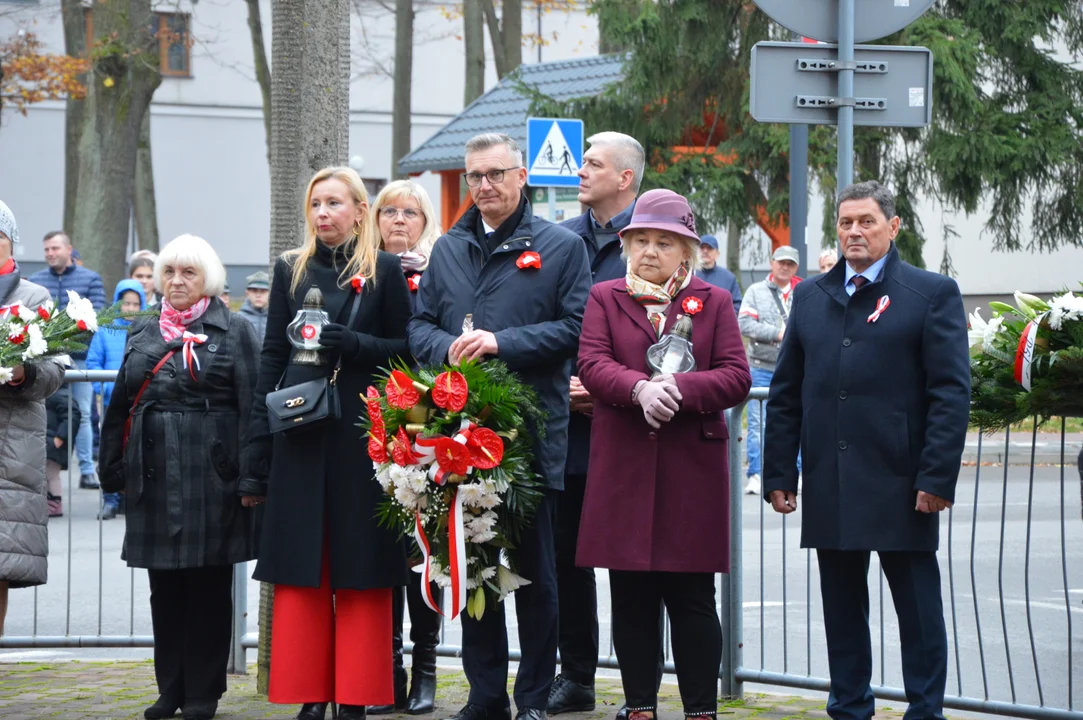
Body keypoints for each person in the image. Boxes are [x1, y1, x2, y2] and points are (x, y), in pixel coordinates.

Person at [763, 180, 970, 720]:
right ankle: (849, 706)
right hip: (832, 478)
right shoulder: (810, 296)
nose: (855, 231)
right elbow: (785, 393)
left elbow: (950, 393)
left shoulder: (932, 293)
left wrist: (936, 478)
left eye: (867, 222)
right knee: (841, 608)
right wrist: (780, 471)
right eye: (846, 222)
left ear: (893, 226)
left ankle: (926, 709)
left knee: (918, 610)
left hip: (903, 481)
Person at [409, 133, 591, 720]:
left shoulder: (561, 247)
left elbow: (577, 329)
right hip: (456, 435)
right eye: (474, 177)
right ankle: (486, 695)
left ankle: (533, 696)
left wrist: (500, 343)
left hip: (528, 436)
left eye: (494, 175)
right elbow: (419, 328)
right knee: (474, 567)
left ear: (521, 177)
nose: (483, 187)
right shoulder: (448, 249)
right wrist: (447, 350)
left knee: (535, 574)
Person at [575, 188, 751, 720]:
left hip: (689, 469)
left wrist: (678, 391)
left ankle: (700, 708)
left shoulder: (713, 301)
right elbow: (592, 362)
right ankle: (639, 706)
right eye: (640, 240)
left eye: (664, 242)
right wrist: (638, 390)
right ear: (626, 245)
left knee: (692, 598)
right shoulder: (606, 296)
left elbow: (737, 376)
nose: (649, 251)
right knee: (631, 596)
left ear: (685, 252)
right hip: (624, 465)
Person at [249, 166, 412, 720]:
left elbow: (406, 352)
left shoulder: (384, 270)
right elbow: (273, 353)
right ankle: (310, 691)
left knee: (359, 559)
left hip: (361, 432)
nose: (323, 214)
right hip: (299, 428)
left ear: (359, 210)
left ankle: (357, 696)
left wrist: (356, 342)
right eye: (316, 203)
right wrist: (257, 442)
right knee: (304, 560)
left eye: (334, 203)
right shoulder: (289, 270)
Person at [98, 234, 263, 720]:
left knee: (208, 586)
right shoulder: (144, 331)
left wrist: (253, 477)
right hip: (151, 473)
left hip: (211, 475)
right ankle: (169, 688)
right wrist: (112, 470)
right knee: (163, 588)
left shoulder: (235, 330)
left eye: (188, 273)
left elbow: (254, 408)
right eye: (169, 272)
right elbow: (121, 405)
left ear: (208, 279)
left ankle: (202, 694)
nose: (176, 282)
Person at [549, 131, 642, 717]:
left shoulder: (655, 235)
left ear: (625, 177)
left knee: (633, 563)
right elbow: (548, 322)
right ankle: (576, 675)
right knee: (567, 558)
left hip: (631, 429)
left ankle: (640, 690)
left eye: (592, 164)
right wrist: (564, 388)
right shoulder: (561, 242)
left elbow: (672, 333)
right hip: (569, 430)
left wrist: (609, 388)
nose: (579, 172)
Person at [369, 178, 443, 716]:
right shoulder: (362, 274)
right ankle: (386, 669)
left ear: (426, 221)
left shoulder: (440, 273)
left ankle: (426, 669)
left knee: (421, 553)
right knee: (378, 554)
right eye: (389, 211)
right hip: (370, 422)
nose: (399, 220)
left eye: (411, 212)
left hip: (426, 423)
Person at [0, 201, 67, 636]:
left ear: (9, 243)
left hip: (9, 453)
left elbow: (56, 370)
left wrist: (24, 373)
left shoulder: (34, 297)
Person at [30, 231, 107, 490]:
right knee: (41, 415)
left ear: (69, 249)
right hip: (44, 360)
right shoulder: (36, 281)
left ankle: (87, 471)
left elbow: (95, 317)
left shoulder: (90, 278)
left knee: (83, 414)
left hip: (79, 360)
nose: (51, 254)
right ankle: (43, 475)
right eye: (47, 250)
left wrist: (62, 334)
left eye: (55, 248)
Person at [737, 245, 802, 496]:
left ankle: (795, 473)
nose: (785, 267)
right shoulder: (755, 291)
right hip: (761, 368)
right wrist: (777, 333)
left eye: (790, 263)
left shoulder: (803, 292)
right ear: (772, 263)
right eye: (781, 262)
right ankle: (755, 473)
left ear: (795, 267)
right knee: (756, 424)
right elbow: (745, 324)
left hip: (794, 368)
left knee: (797, 421)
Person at [87, 279, 146, 520]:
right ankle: (110, 498)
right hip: (113, 403)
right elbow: (93, 362)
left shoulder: (149, 328)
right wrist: (101, 390)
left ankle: (129, 498)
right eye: (126, 303)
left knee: (136, 450)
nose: (130, 308)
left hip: (139, 402)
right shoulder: (106, 329)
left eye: (135, 303)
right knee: (110, 450)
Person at [44, 385, 80, 518]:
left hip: (56, 443)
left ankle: (54, 503)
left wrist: (61, 437)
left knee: (51, 475)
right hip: (51, 441)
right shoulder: (56, 394)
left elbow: (72, 417)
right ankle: (51, 502)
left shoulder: (61, 395)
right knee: (48, 475)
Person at [695, 235, 742, 314]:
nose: (705, 251)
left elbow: (737, 305)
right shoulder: (690, 275)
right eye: (702, 248)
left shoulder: (728, 278)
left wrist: (724, 319)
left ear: (717, 254)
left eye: (709, 248)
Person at [237, 271, 270, 344]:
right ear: (247, 293)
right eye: (254, 291)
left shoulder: (276, 318)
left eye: (263, 291)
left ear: (270, 293)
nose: (258, 295)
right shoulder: (238, 319)